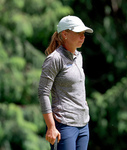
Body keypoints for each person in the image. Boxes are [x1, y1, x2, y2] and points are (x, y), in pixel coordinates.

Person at [38, 15, 93, 150]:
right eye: (78, 33)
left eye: (83, 33)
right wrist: (51, 126)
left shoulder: (79, 56)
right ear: (65, 34)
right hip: (64, 125)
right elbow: (43, 93)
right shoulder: (54, 59)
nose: (83, 36)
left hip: (83, 124)